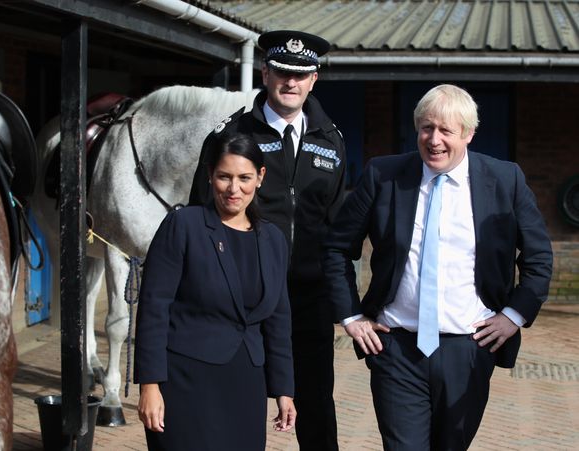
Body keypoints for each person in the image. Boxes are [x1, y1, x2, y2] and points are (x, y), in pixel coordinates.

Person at [322, 84, 553, 451]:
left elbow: (539, 259)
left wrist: (513, 315)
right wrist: (351, 316)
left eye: (446, 130)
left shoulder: (505, 180)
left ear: (468, 134)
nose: (434, 140)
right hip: (394, 348)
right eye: (426, 128)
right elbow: (336, 248)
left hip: (469, 349)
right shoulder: (383, 175)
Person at [189, 30, 346, 451]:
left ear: (314, 79)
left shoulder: (332, 140)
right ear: (265, 72)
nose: (290, 83)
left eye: (301, 75)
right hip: (244, 298)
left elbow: (335, 228)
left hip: (309, 299)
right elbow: (201, 221)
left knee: (314, 404)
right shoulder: (231, 136)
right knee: (234, 405)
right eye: (281, 73)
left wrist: (339, 296)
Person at [134, 133, 296, 451]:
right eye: (224, 177)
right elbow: (154, 306)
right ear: (210, 176)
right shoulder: (184, 225)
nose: (234, 189)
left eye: (244, 178)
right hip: (184, 384)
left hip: (245, 384)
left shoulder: (274, 239)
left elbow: (279, 320)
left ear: (260, 178)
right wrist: (149, 385)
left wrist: (284, 390)